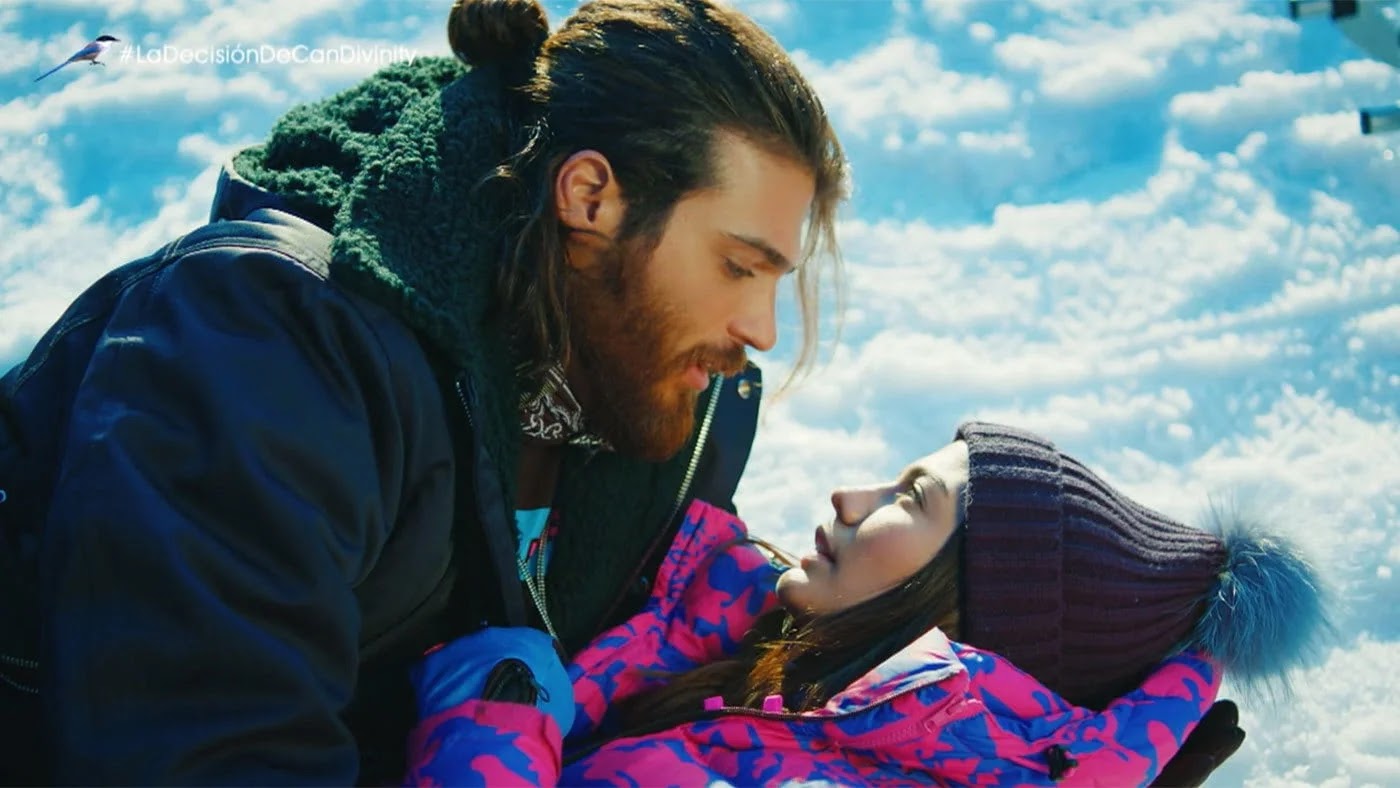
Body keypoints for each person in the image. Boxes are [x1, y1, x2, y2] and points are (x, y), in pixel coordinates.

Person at [0, 0, 847, 783]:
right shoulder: (272, 342)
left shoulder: (654, 399)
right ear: (591, 199)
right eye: (738, 266)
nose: (761, 329)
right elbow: (208, 752)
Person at [405, 421, 1327, 786]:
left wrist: (498, 711)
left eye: (910, 499)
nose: (849, 497)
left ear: (967, 611)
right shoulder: (750, 645)